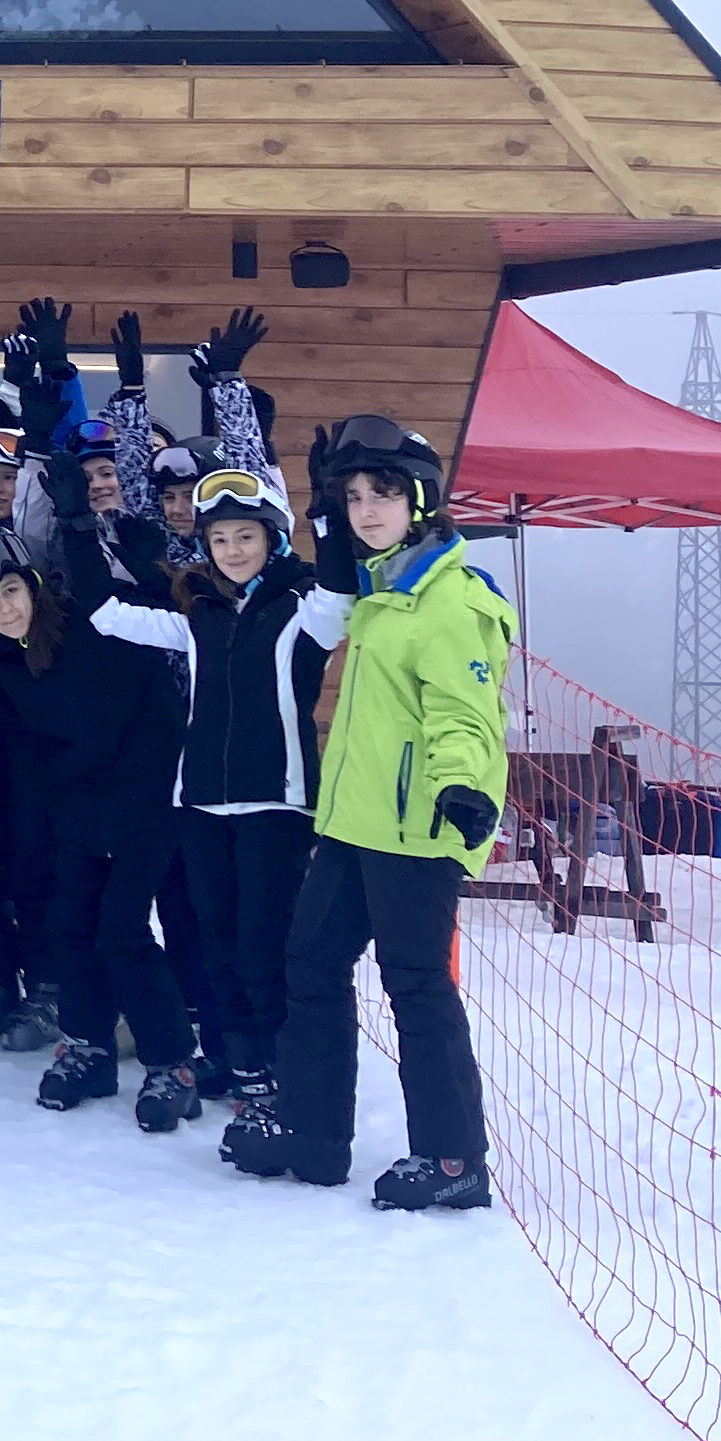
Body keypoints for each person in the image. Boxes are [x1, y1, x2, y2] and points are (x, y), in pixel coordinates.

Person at [226, 418, 510, 1212]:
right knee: (311, 964)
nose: (366, 509)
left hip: (420, 827)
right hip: (353, 824)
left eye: (382, 493)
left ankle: (454, 1160)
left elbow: (467, 711)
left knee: (416, 986)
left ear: (420, 500)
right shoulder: (386, 589)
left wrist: (463, 787)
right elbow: (341, 579)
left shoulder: (452, 601)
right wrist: (322, 518)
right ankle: (316, 1136)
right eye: (354, 496)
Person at [0, 493, 206, 1131]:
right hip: (79, 811)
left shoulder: (94, 627)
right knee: (69, 926)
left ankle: (172, 1063)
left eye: (11, 591)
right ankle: (88, 1047)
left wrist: (77, 524)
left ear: (33, 585)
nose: (4, 608)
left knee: (122, 929)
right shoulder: (0, 662)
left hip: (147, 799)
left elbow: (148, 699)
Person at [165, 465, 348, 1121]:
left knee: (260, 947)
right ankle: (238, 1061)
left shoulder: (303, 612)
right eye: (220, 540)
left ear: (272, 539)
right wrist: (74, 521)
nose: (234, 550)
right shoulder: (198, 615)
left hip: (275, 806)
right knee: (215, 943)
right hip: (204, 807)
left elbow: (341, 590)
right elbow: (106, 614)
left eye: (247, 536)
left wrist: (326, 518)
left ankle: (276, 1067)